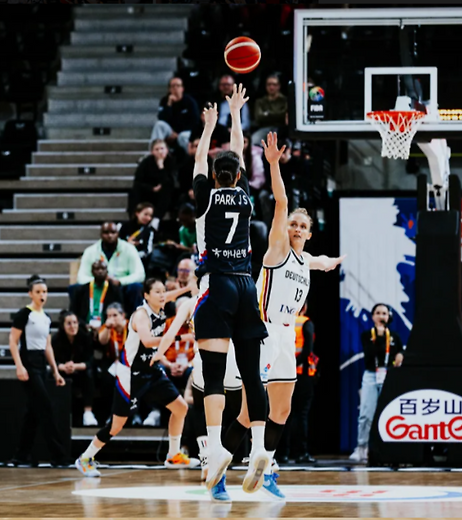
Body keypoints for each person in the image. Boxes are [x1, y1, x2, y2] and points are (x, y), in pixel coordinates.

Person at [222, 132, 345, 500]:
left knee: (283, 408)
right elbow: (281, 201)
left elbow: (322, 262)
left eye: (303, 226)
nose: (297, 229)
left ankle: (267, 468)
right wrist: (274, 164)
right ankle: (219, 468)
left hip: (286, 337)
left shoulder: (306, 260)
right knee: (248, 412)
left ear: (309, 233)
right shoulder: (277, 250)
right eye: (293, 224)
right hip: (262, 332)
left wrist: (337, 261)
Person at [192, 84, 269, 502]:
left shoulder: (205, 198)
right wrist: (236, 114)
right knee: (252, 374)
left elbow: (203, 160)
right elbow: (236, 150)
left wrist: (209, 126)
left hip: (217, 285)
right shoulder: (246, 196)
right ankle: (259, 448)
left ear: (213, 176)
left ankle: (218, 447)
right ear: (239, 175)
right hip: (246, 285)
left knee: (214, 374)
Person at [75, 278, 199, 477]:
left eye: (163, 291)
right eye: (157, 292)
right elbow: (148, 342)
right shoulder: (141, 315)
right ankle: (85, 458)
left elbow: (170, 296)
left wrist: (188, 288)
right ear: (146, 296)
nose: (162, 295)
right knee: (116, 425)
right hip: (131, 375)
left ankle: (173, 455)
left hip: (151, 369)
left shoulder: (159, 303)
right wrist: (180, 337)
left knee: (181, 408)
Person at [151, 294, 242, 482]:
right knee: (243, 411)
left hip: (204, 359)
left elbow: (170, 334)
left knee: (201, 409)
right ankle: (253, 452)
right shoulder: (233, 294)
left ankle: (208, 458)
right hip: (234, 357)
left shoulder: (192, 302)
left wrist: (158, 354)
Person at [8, 275, 69, 467]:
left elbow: (47, 346)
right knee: (45, 406)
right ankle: (59, 456)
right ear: (30, 294)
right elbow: (13, 341)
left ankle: (20, 455)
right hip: (28, 362)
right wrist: (19, 366)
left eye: (44, 292)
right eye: (38, 292)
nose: (42, 295)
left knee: (33, 413)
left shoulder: (46, 317)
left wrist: (55, 371)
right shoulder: (24, 314)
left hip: (41, 364)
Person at [349, 303, 404, 463]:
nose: (381, 316)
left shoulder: (394, 336)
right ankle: (362, 447)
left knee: (390, 412)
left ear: (389, 317)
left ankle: (388, 448)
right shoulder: (368, 335)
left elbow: (399, 352)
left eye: (384, 313)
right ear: (373, 316)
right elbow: (370, 353)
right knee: (366, 414)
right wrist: (379, 337)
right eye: (378, 313)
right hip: (371, 375)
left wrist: (401, 355)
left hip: (388, 375)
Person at [276, 304, 318, 464]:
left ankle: (282, 453)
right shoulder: (305, 322)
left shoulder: (279, 322)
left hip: (282, 374)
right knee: (301, 414)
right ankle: (301, 452)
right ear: (304, 306)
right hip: (302, 373)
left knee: (283, 414)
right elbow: (307, 350)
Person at [77, 222, 145, 315]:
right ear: (101, 234)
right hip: (98, 286)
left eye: (113, 232)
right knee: (76, 288)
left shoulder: (129, 249)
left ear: (118, 234)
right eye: (106, 233)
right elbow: (81, 277)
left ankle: (135, 320)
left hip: (121, 286)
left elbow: (140, 274)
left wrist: (120, 281)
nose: (110, 236)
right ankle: (82, 321)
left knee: (136, 287)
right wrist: (98, 280)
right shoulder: (90, 251)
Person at [52, 310, 98, 427]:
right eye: (69, 323)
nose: (72, 326)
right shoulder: (56, 339)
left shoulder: (85, 337)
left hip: (80, 369)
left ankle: (88, 412)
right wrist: (62, 367)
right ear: (63, 325)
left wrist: (76, 366)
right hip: (63, 370)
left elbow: (90, 361)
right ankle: (57, 413)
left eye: (75, 322)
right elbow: (52, 360)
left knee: (89, 374)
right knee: (51, 374)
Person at [129, 139, 175, 222]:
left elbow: (172, 182)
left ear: (167, 150)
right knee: (134, 191)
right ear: (152, 152)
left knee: (167, 190)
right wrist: (152, 188)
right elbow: (138, 181)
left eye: (162, 148)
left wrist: (161, 167)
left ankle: (157, 218)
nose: (160, 151)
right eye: (157, 149)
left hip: (164, 194)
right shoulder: (146, 163)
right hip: (149, 191)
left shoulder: (171, 162)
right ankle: (134, 217)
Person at [150, 76, 200, 152]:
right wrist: (169, 105)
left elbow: (195, 121)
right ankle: (154, 153)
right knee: (159, 125)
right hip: (170, 131)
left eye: (178, 85)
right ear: (169, 89)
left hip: (186, 131)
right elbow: (162, 118)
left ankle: (190, 155)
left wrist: (177, 133)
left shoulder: (190, 102)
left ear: (182, 88)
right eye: (173, 86)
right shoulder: (165, 101)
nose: (175, 88)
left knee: (183, 136)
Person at [71, 259, 123, 331]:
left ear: (107, 272)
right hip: (84, 328)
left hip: (108, 328)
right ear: (92, 272)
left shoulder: (114, 290)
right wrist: (83, 325)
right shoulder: (81, 290)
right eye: (97, 269)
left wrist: (106, 325)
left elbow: (120, 311)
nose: (100, 271)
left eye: (103, 269)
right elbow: (73, 312)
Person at [251, 75, 288, 146]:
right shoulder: (260, 101)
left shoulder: (284, 100)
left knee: (275, 141)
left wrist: (267, 114)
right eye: (269, 84)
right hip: (264, 128)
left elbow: (284, 116)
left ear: (279, 86)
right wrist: (277, 114)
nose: (271, 87)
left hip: (281, 128)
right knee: (254, 139)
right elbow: (258, 117)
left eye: (274, 84)